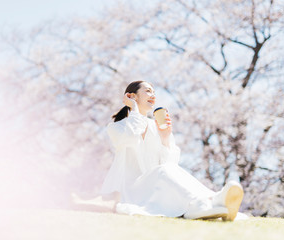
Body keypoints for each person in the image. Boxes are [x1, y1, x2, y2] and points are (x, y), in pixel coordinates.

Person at [72, 80, 244, 221]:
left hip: (155, 188)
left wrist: (165, 137)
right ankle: (201, 204)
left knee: (168, 169)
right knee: (164, 171)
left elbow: (171, 166)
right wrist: (134, 110)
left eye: (154, 92)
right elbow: (130, 137)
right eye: (147, 91)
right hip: (132, 190)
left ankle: (212, 201)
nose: (153, 94)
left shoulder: (156, 127)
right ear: (132, 96)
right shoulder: (117, 127)